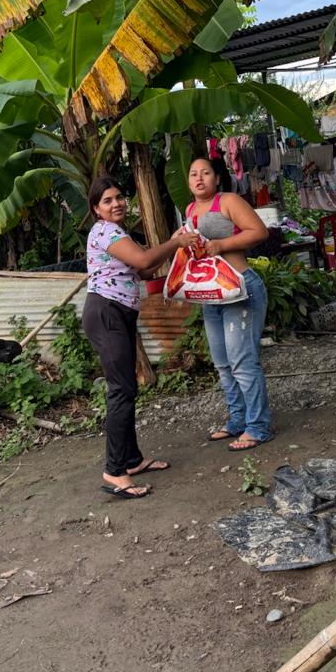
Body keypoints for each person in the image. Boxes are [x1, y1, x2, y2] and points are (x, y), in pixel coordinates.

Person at [84, 177, 199, 499]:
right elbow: (145, 260)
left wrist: (172, 244)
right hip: (107, 313)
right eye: (107, 200)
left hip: (117, 313)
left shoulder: (118, 234)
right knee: (121, 390)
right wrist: (176, 243)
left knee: (127, 388)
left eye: (119, 197)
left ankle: (132, 461)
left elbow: (144, 271)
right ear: (96, 209)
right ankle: (114, 470)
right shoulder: (105, 231)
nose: (117, 204)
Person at [185, 157, 271, 452]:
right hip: (211, 294)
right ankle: (237, 420)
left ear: (217, 177)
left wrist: (221, 245)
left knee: (242, 362)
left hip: (240, 289)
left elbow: (259, 232)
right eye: (193, 174)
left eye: (205, 173)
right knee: (222, 364)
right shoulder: (189, 210)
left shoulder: (228, 201)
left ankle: (258, 427)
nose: (199, 179)